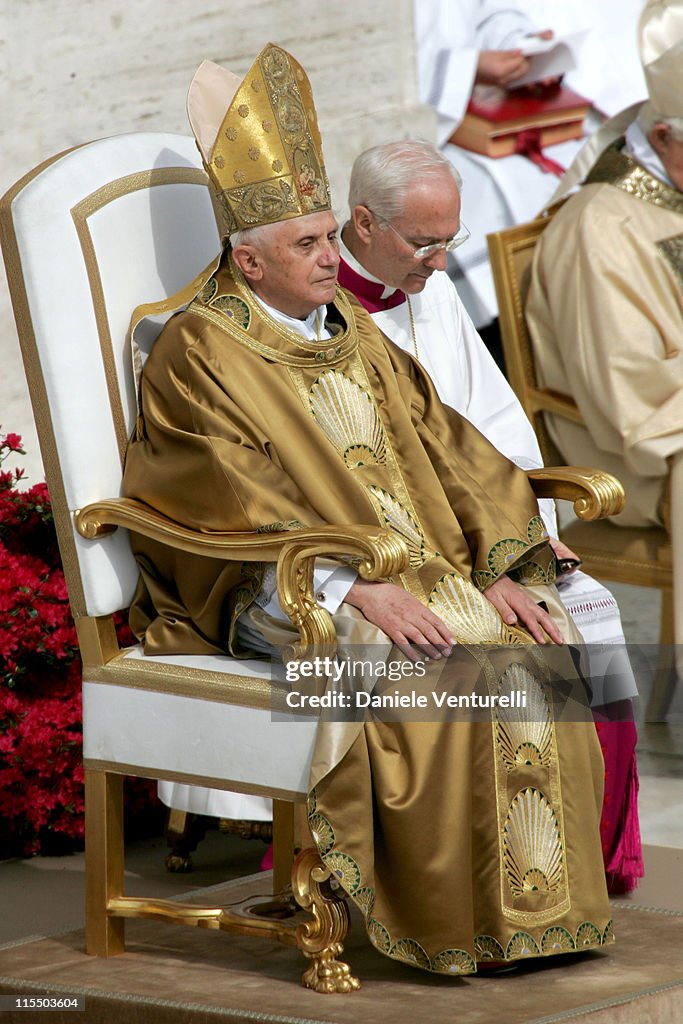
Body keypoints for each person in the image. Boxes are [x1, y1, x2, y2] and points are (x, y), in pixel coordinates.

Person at [123, 44, 613, 975]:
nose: (328, 260)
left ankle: (525, 922)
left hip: (411, 570)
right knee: (425, 671)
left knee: (533, 651)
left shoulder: (344, 328)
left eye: (324, 237)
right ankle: (446, 923)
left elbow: (449, 449)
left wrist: (502, 564)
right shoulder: (199, 351)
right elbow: (223, 493)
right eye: (308, 245)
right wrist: (350, 589)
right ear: (248, 258)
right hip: (272, 586)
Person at [337, 137, 643, 893]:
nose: (440, 263)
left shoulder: (426, 286)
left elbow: (493, 425)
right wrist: (483, 566)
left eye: (450, 241)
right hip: (397, 554)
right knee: (495, 650)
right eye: (423, 242)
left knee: (590, 611)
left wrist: (532, 537)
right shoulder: (316, 318)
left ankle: (589, 855)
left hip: (480, 531)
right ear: (364, 223)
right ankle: (477, 876)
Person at [525, 0, 683, 667]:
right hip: (628, 444)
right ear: (668, 136)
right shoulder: (600, 228)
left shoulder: (671, 184)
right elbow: (628, 393)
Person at [414, 0, 594, 332]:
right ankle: (505, 329)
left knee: (588, 161)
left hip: (482, 103)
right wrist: (466, 67)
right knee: (477, 194)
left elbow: (485, 11)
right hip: (434, 121)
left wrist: (518, 44)